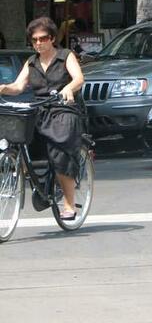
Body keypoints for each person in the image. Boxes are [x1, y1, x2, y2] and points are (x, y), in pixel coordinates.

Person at [0, 17, 85, 220]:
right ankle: (38, 180)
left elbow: (79, 79)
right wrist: (3, 88)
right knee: (18, 139)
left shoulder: (65, 56)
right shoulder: (31, 62)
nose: (39, 43)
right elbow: (18, 87)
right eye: (35, 40)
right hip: (39, 109)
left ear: (52, 38)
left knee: (59, 153)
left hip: (63, 108)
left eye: (43, 38)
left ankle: (69, 204)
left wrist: (68, 88)